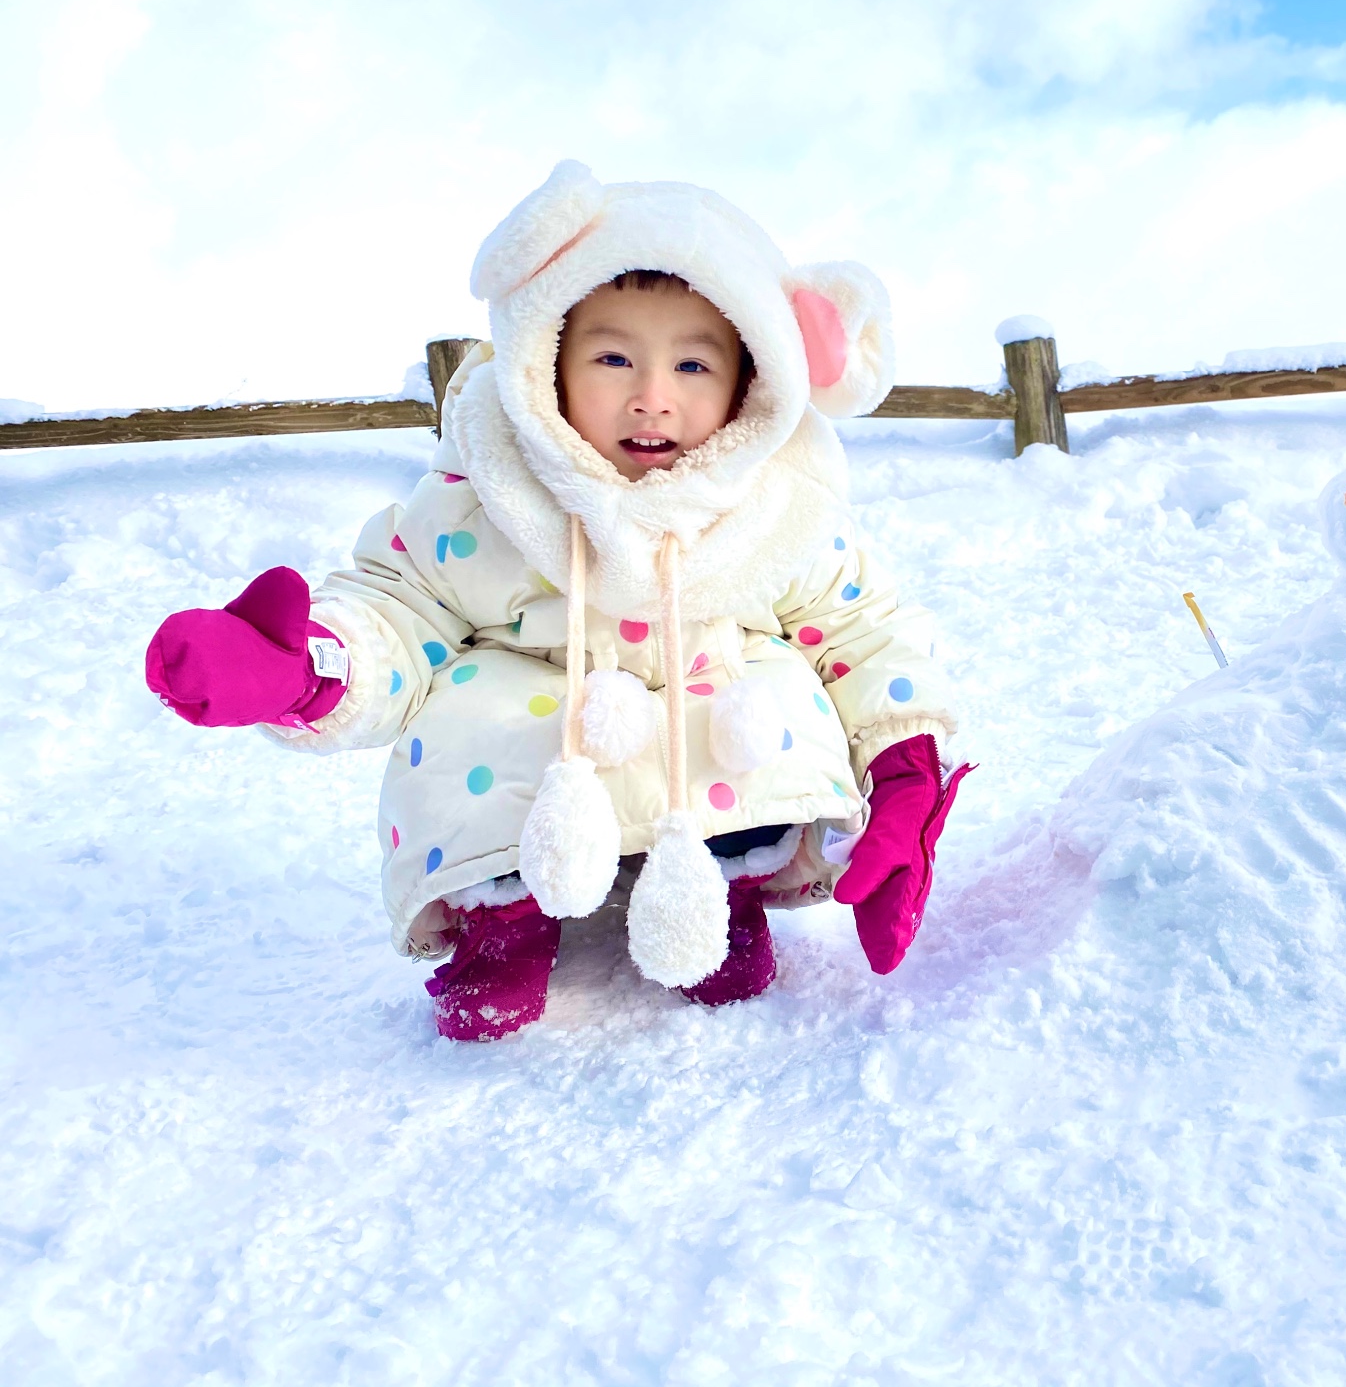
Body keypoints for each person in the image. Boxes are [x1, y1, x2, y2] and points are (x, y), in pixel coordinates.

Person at [143, 161, 971, 1040]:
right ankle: (504, 915)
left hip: (707, 755)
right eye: (613, 357)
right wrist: (305, 669)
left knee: (762, 700)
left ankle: (725, 894)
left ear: (750, 384)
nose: (653, 395)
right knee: (481, 712)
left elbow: (864, 628)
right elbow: (400, 606)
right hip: (543, 767)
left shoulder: (776, 510)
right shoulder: (489, 499)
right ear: (545, 363)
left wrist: (906, 764)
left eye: (693, 363)